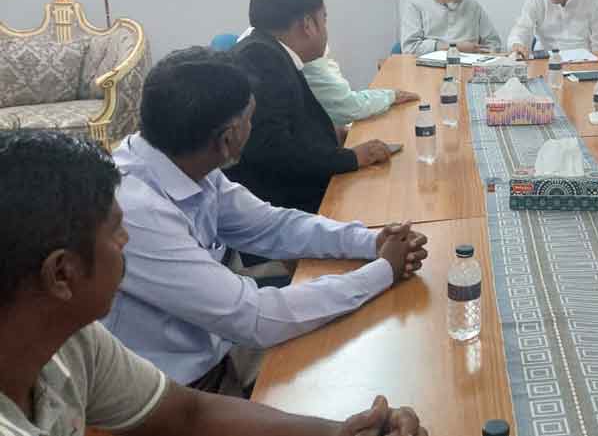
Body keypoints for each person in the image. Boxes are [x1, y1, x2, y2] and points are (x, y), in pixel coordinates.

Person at [0, 129, 428, 435]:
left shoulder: (75, 341)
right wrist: (382, 270)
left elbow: (189, 414)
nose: (127, 241)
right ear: (62, 273)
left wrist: (339, 432)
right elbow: (252, 319)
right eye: (115, 233)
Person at [100, 48, 428, 395]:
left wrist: (371, 242)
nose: (253, 127)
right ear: (228, 138)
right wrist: (382, 272)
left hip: (218, 350)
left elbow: (273, 225)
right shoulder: (136, 212)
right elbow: (254, 317)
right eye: (250, 118)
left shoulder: (185, 162)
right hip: (173, 394)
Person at [226, 0, 393, 214]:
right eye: (324, 19)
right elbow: (275, 151)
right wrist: (352, 158)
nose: (326, 29)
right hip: (284, 206)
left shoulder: (267, 50)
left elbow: (289, 124)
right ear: (307, 24)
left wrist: (334, 135)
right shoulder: (263, 61)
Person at [258, 0, 419, 127]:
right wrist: (391, 96)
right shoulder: (296, 49)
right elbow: (346, 107)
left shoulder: (264, 35)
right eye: (323, 18)